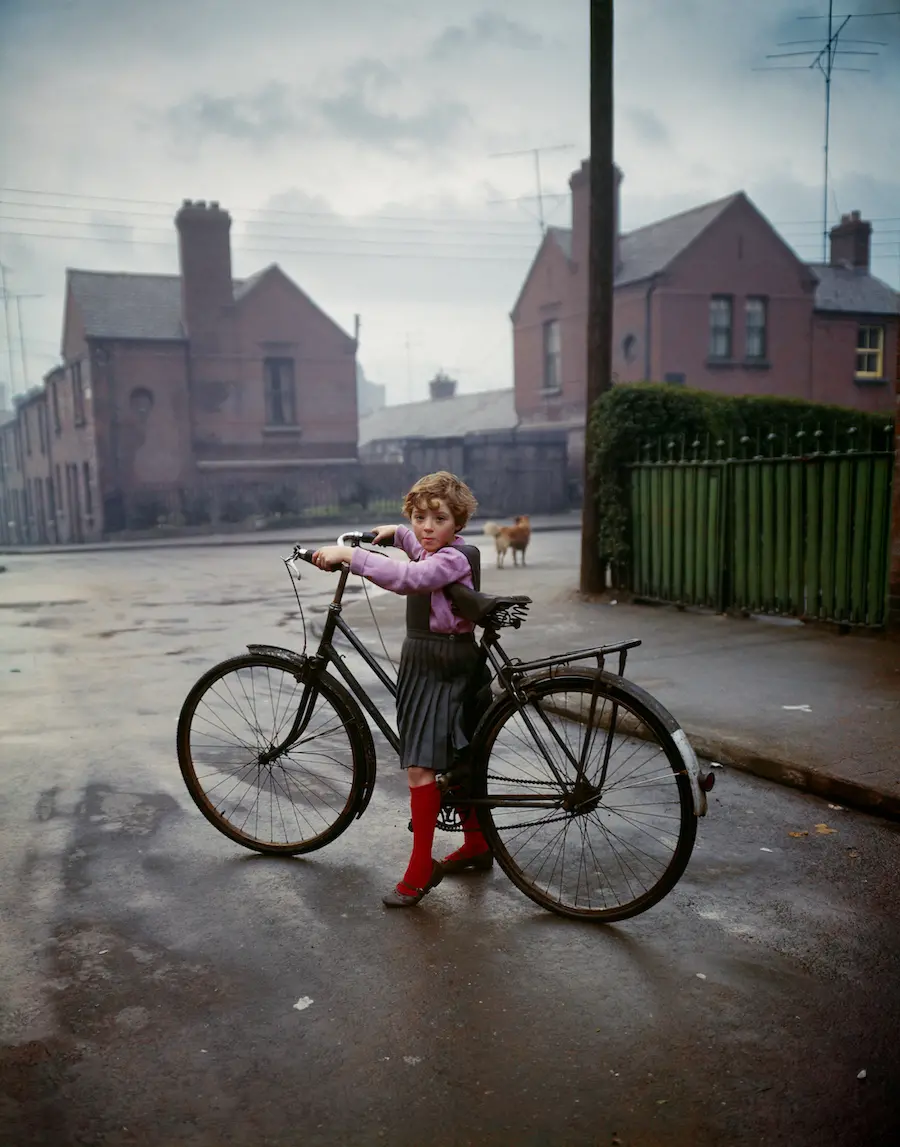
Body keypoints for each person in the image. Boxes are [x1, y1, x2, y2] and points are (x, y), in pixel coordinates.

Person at [312, 471, 492, 908]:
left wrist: (350, 557)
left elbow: (411, 578)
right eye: (419, 516)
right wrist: (394, 533)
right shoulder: (433, 544)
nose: (427, 527)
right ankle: (476, 844)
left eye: (440, 518)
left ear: (459, 525)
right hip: (434, 660)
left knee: (421, 766)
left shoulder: (453, 559)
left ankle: (419, 870)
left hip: (440, 666)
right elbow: (415, 545)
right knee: (458, 757)